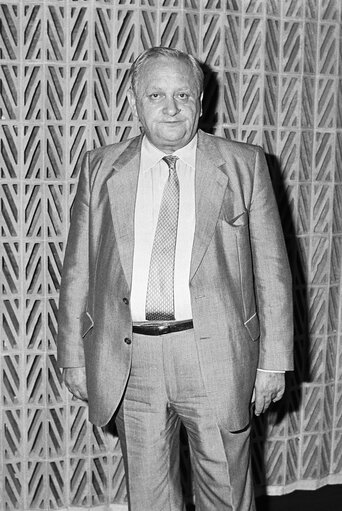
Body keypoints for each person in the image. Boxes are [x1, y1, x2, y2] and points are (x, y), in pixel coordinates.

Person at [57, 47, 293, 511]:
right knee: (148, 499)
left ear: (201, 102)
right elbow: (78, 269)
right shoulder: (100, 168)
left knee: (226, 494)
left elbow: (273, 271)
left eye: (183, 94)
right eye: (156, 94)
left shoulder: (244, 165)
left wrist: (273, 362)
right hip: (131, 362)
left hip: (217, 358)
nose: (170, 107)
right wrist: (72, 356)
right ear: (134, 101)